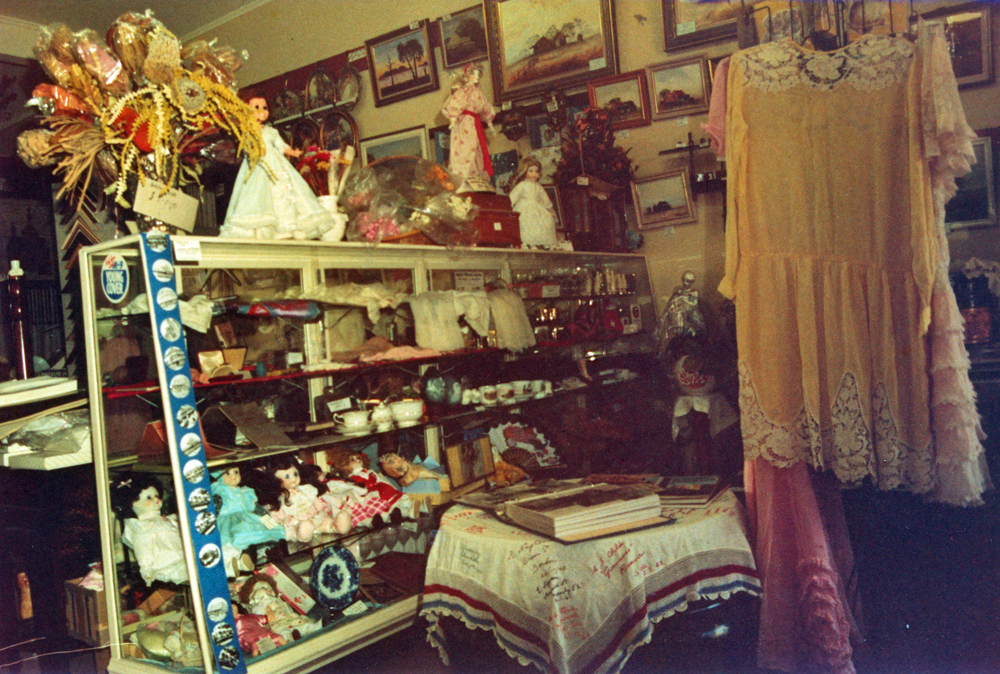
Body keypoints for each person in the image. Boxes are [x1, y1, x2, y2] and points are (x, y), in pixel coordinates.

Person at [220, 95, 336, 241]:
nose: (261, 111)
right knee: (258, 194)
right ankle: (261, 230)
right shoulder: (247, 130)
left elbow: (281, 145)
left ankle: (286, 228)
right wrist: (254, 150)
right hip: (258, 166)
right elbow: (245, 147)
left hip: (276, 163)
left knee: (284, 191)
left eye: (264, 107)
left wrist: (293, 152)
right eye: (256, 107)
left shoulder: (271, 131)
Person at [112, 475, 188, 586]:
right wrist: (146, 568)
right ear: (134, 503)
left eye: (156, 496)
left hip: (184, 558)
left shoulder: (167, 519)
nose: (156, 499)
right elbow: (143, 549)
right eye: (149, 498)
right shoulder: (142, 527)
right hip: (167, 565)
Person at [442, 63, 495, 185]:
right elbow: (455, 103)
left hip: (475, 124)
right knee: (464, 148)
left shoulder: (478, 92)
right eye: (473, 73)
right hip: (464, 122)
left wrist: (489, 122)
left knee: (476, 150)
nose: (476, 76)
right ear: (468, 76)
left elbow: (486, 107)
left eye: (478, 74)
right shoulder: (463, 91)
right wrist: (453, 118)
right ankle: (461, 175)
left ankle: (475, 176)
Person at [509, 156, 557, 246]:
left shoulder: (538, 186)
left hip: (537, 208)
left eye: (536, 171)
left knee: (541, 225)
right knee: (524, 225)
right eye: (530, 171)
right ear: (524, 171)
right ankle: (526, 244)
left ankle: (538, 245)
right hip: (523, 209)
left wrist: (550, 210)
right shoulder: (522, 185)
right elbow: (512, 197)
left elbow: (544, 199)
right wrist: (508, 207)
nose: (534, 174)